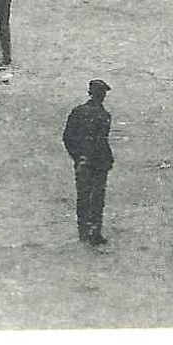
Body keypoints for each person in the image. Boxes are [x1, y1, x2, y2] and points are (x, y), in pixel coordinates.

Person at [62, 79, 114, 247]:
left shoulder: (79, 112)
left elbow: (68, 137)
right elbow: (101, 141)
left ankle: (85, 231)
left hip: (86, 161)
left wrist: (77, 156)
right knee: (95, 197)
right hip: (96, 161)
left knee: (85, 196)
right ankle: (93, 232)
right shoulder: (103, 115)